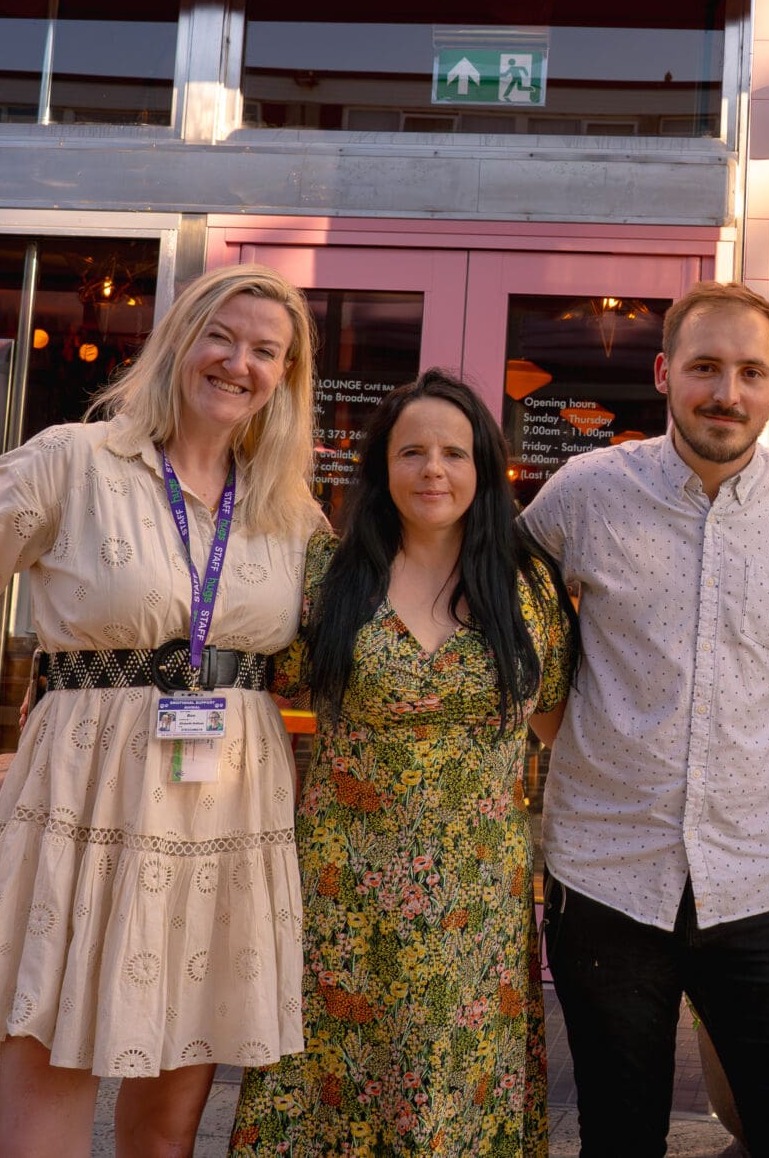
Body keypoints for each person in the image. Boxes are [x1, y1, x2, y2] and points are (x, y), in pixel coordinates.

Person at [0, 264, 323, 1158]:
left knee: (163, 1138)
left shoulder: (288, 508)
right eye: (222, 337)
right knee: (42, 1134)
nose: (239, 362)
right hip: (85, 809)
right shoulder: (73, 460)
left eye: (265, 351)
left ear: (286, 375)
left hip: (223, 825)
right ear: (179, 342)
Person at [525, 281, 769, 1158]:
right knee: (620, 1137)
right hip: (606, 874)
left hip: (760, 874)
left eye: (751, 371)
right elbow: (509, 622)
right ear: (665, 372)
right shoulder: (583, 494)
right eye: (707, 367)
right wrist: (563, 723)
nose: (728, 391)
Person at [228, 371, 577, 1155]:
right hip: (340, 885)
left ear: (484, 467)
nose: (433, 470)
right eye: (412, 450)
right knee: (331, 1086)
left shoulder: (527, 589)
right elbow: (259, 685)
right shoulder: (324, 573)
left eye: (454, 452)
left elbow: (556, 718)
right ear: (382, 466)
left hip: (472, 896)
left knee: (451, 1087)